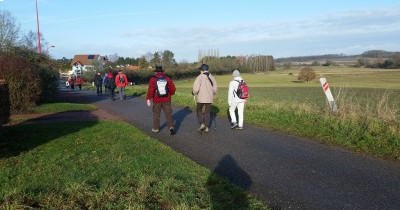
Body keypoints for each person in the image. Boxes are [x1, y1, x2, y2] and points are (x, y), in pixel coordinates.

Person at [146, 65, 176, 135]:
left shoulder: (153, 79)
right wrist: (170, 94)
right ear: (162, 71)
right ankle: (171, 127)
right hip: (167, 99)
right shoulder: (167, 78)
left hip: (157, 100)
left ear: (156, 72)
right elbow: (173, 89)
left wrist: (148, 98)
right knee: (168, 114)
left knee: (156, 114)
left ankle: (156, 128)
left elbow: (151, 90)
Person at [192, 64, 218, 133]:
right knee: (207, 112)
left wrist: (193, 92)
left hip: (201, 98)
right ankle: (207, 127)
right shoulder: (212, 77)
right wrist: (212, 93)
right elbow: (215, 88)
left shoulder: (199, 77)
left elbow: (196, 89)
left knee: (198, 110)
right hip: (209, 98)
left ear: (202, 70)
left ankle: (202, 123)